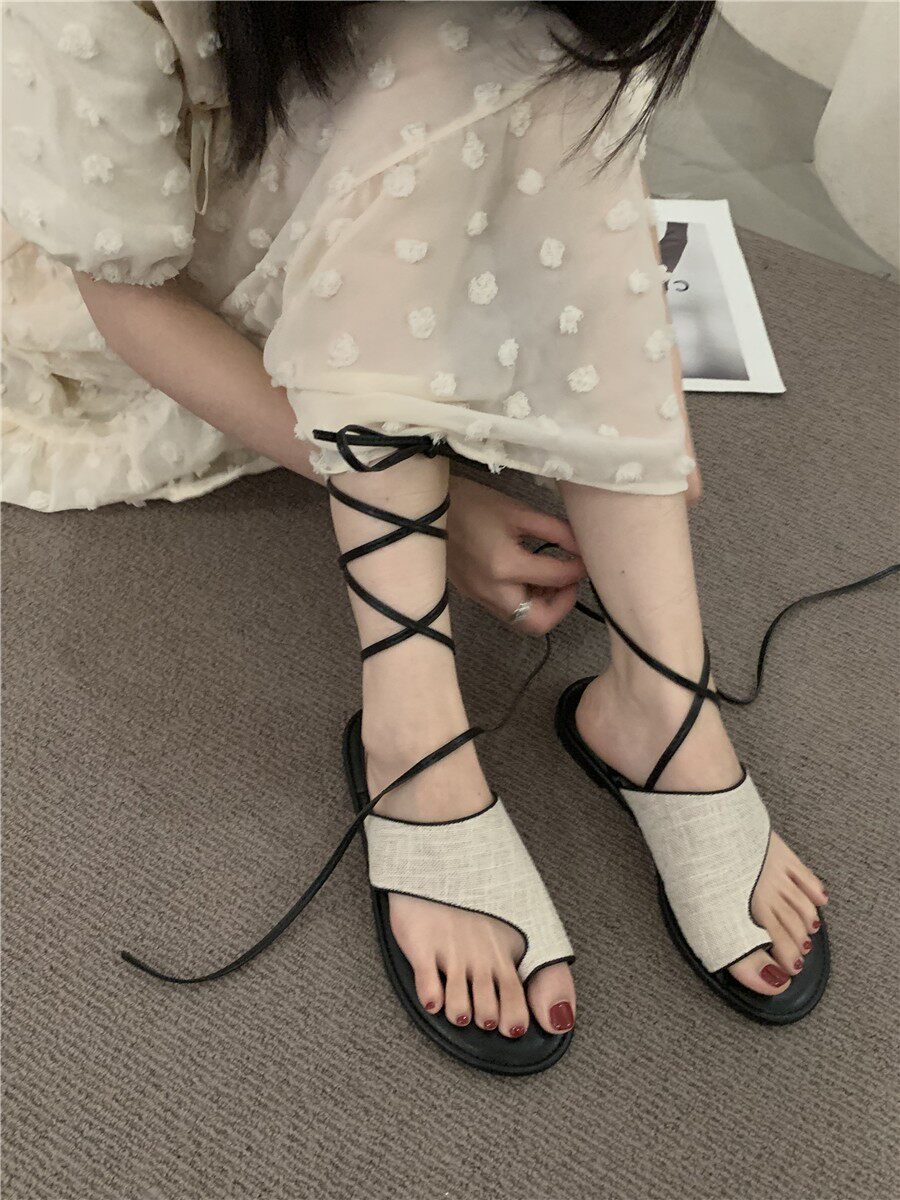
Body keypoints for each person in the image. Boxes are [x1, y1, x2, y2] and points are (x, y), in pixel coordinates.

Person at [2, 1, 828, 1075]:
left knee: (540, 62)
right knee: (453, 59)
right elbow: (125, 300)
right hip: (187, 303)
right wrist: (437, 511)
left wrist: (634, 414)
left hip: (411, 223)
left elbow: (585, 164)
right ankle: (413, 728)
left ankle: (663, 700)